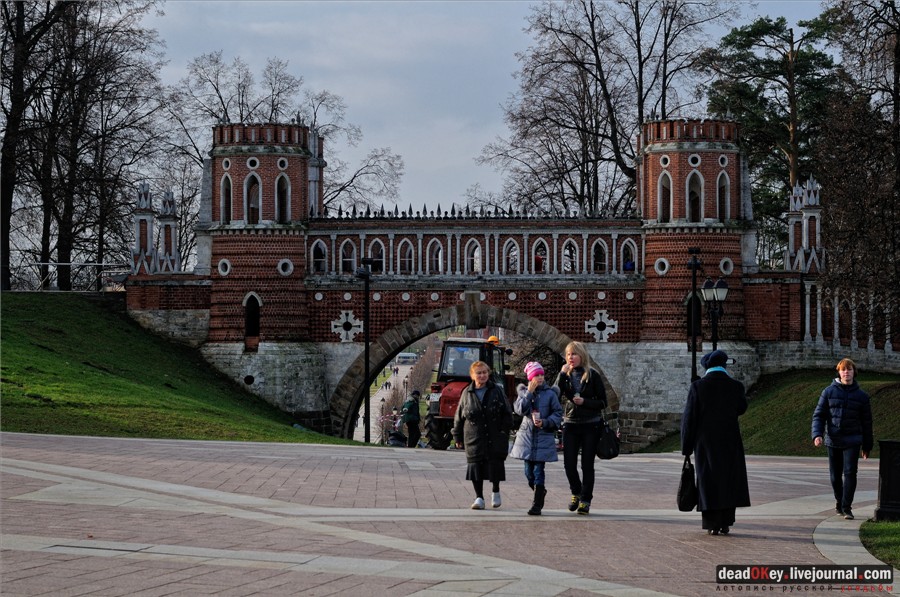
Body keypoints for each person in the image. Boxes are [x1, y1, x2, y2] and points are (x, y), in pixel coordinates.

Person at [681, 349, 750, 535]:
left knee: (708, 479)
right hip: (729, 440)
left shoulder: (698, 387)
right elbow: (741, 408)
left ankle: (712, 524)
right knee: (728, 479)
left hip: (705, 442)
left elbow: (689, 419)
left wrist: (686, 446)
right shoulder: (736, 386)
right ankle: (726, 521)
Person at [811, 358, 873, 520]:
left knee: (850, 473)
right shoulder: (828, 392)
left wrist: (867, 446)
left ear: (854, 372)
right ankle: (839, 501)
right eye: (843, 370)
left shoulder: (862, 396)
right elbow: (819, 415)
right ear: (839, 372)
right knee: (835, 475)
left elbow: (867, 423)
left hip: (853, 440)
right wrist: (817, 434)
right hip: (833, 439)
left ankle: (847, 507)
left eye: (849, 369)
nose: (846, 372)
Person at [453, 360, 514, 510]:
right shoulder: (467, 392)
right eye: (479, 373)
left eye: (485, 372)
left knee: (494, 465)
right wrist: (457, 436)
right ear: (472, 376)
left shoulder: (497, 390)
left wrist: (503, 431)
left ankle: (495, 491)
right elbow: (459, 416)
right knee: (475, 466)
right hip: (473, 436)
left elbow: (507, 412)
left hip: (494, 435)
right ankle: (479, 497)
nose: (482, 375)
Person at [556, 341, 607, 515]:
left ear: (582, 356)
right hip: (570, 423)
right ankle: (576, 492)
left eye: (574, 354)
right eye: (569, 354)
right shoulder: (565, 374)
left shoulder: (592, 375)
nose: (571, 358)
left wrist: (585, 402)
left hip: (590, 425)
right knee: (569, 463)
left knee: (587, 465)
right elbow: (555, 393)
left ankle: (585, 499)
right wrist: (562, 375)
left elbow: (603, 402)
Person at [510, 361, 563, 515]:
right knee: (528, 472)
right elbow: (520, 410)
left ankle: (537, 504)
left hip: (543, 437)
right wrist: (529, 394)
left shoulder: (551, 394)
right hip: (527, 439)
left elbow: (557, 413)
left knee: (539, 471)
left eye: (541, 375)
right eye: (536, 376)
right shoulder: (524, 392)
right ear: (530, 378)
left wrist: (545, 422)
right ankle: (540, 491)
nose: (539, 378)